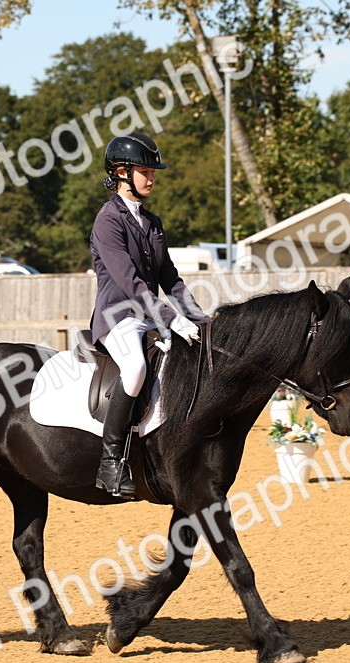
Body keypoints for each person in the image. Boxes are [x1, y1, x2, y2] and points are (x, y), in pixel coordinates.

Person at [88, 132, 211, 497]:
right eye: (144, 171)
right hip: (117, 317)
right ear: (122, 173)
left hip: (150, 318)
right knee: (137, 368)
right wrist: (171, 318)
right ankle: (110, 463)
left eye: (152, 172)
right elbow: (129, 281)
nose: (152, 178)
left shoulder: (153, 222)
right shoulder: (108, 221)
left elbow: (170, 278)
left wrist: (201, 320)